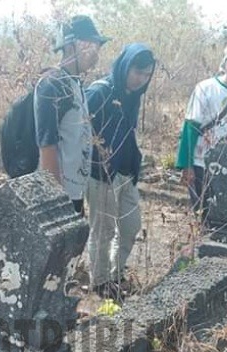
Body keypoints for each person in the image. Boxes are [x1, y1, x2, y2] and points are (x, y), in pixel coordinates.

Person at [85, 44, 156, 299]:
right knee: (102, 230)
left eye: (147, 74)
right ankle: (100, 281)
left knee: (131, 226)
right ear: (125, 67)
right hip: (100, 173)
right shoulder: (100, 92)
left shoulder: (133, 96)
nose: (141, 79)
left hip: (126, 172)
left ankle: (115, 272)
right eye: (137, 72)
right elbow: (80, 131)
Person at [34, 15, 110, 214]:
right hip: (59, 197)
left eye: (97, 47)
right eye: (91, 46)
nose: (96, 54)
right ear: (70, 47)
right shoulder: (53, 85)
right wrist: (56, 201)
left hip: (75, 192)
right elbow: (47, 144)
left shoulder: (75, 83)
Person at [175, 39, 227, 217]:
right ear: (225, 62)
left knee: (224, 213)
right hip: (200, 161)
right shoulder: (205, 88)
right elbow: (190, 126)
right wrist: (186, 165)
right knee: (202, 212)